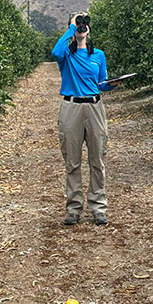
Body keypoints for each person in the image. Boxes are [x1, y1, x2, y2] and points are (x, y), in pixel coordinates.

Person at [51, 12, 127, 225]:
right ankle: (74, 208)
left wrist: (112, 85)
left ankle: (98, 207)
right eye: (79, 23)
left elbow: (102, 83)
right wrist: (72, 27)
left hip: (95, 107)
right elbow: (55, 51)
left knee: (97, 159)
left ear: (90, 29)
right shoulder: (66, 54)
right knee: (72, 161)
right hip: (71, 107)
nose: (82, 26)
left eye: (85, 23)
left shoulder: (98, 55)